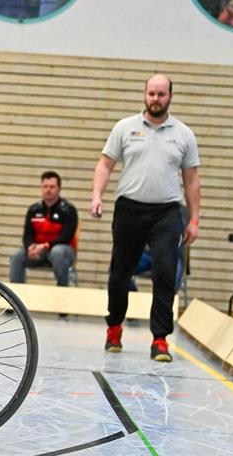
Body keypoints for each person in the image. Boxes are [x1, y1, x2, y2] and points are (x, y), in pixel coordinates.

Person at [90, 74, 201, 363]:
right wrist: (97, 195)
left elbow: (191, 180)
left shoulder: (183, 134)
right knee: (120, 273)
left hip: (167, 212)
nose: (155, 99)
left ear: (170, 97)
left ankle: (160, 339)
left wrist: (195, 219)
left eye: (161, 94)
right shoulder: (125, 128)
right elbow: (105, 164)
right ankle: (114, 328)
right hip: (129, 210)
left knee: (165, 273)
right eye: (151, 93)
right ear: (144, 94)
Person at [9, 171, 78, 287]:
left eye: (52, 187)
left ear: (59, 189)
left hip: (62, 251)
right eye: (45, 186)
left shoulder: (69, 210)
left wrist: (45, 246)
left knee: (57, 252)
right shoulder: (34, 210)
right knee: (17, 256)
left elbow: (66, 237)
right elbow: (27, 235)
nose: (48, 190)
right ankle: (16, 298)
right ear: (41, 188)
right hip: (38, 252)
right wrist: (30, 247)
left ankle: (63, 292)